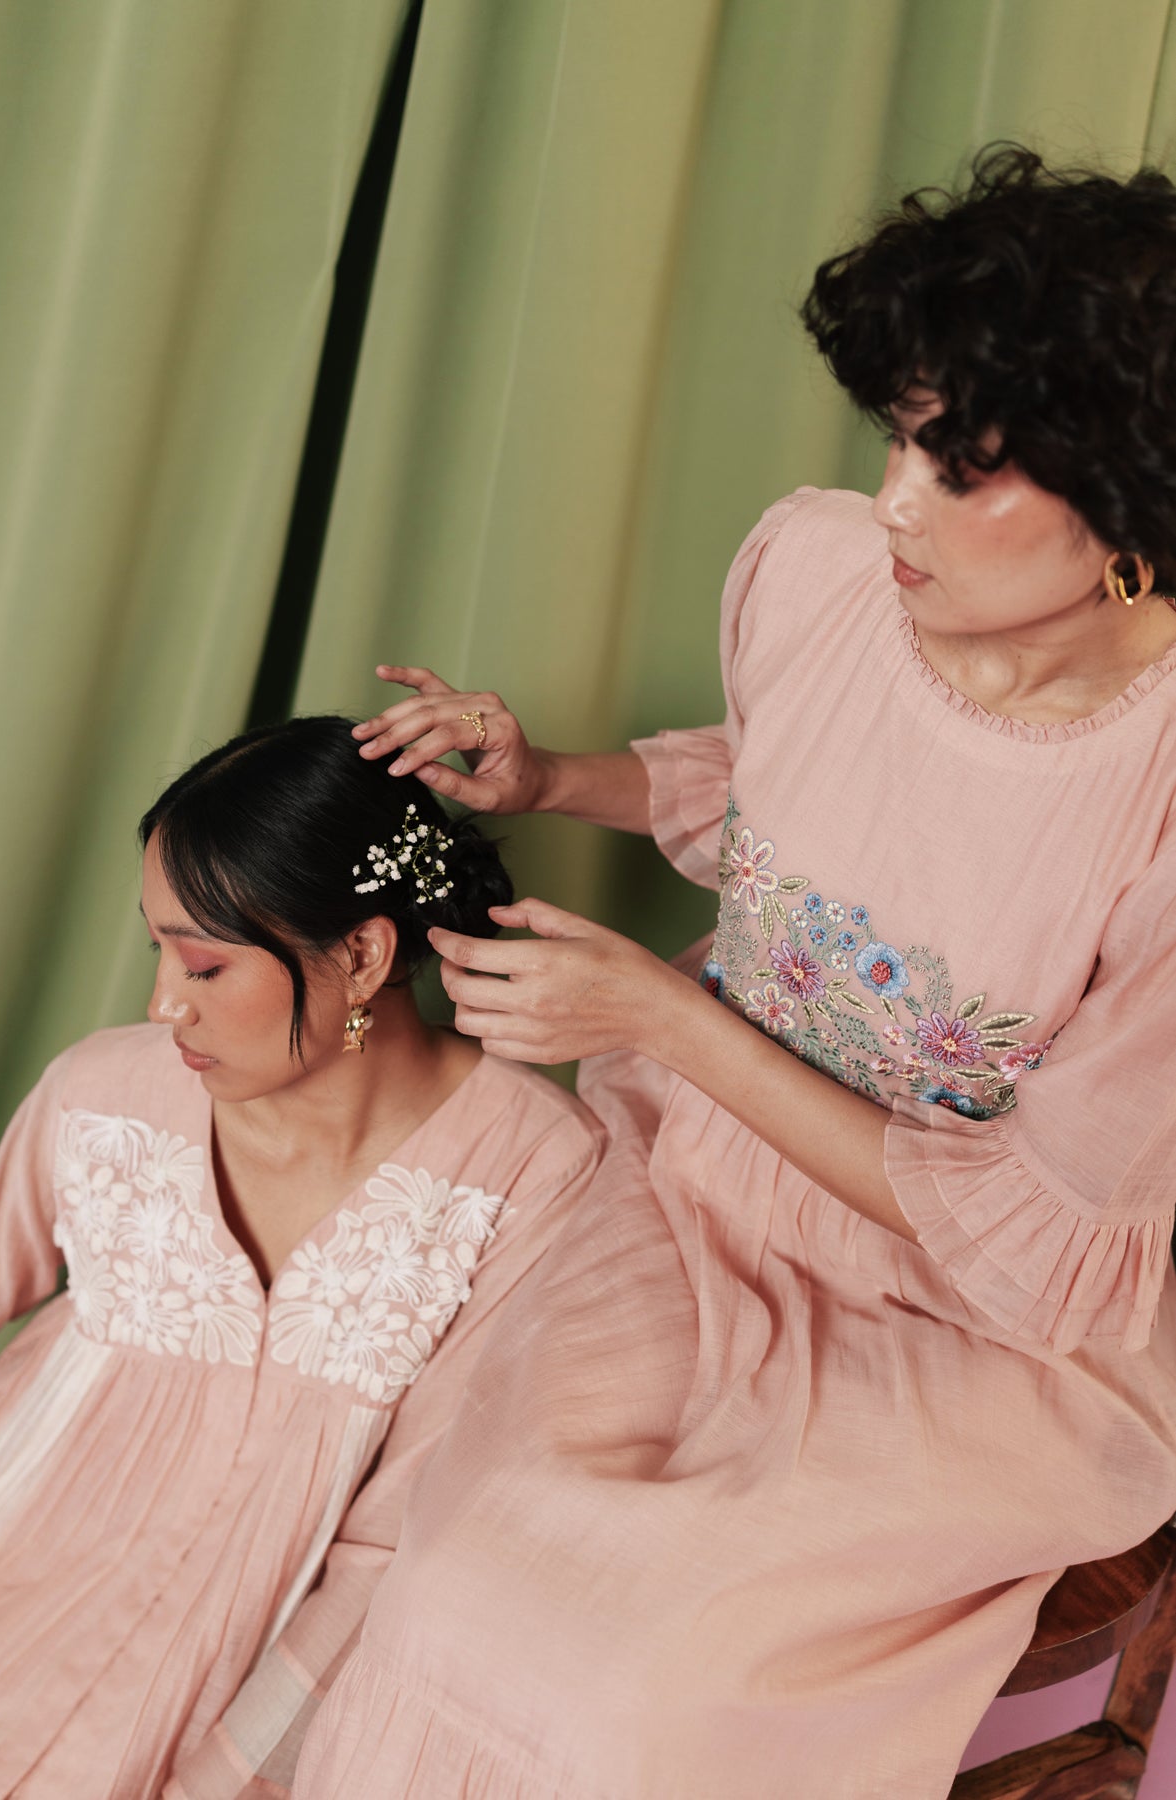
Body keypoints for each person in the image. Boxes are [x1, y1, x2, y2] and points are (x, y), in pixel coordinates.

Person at [290, 148, 1176, 1799]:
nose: (896, 501)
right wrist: (549, 778)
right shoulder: (822, 574)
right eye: (899, 436)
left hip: (972, 1337)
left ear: (1131, 497)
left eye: (962, 469)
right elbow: (780, 787)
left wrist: (662, 1018)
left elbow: (1035, 1249)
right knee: (454, 1579)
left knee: (652, 1696)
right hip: (689, 1196)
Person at [0, 716, 603, 1800]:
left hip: (249, 1682)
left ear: (361, 955)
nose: (163, 1004)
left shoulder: (531, 1167)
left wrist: (232, 1777)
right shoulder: (103, 1091)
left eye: (204, 964)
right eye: (157, 950)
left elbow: (403, 1539)